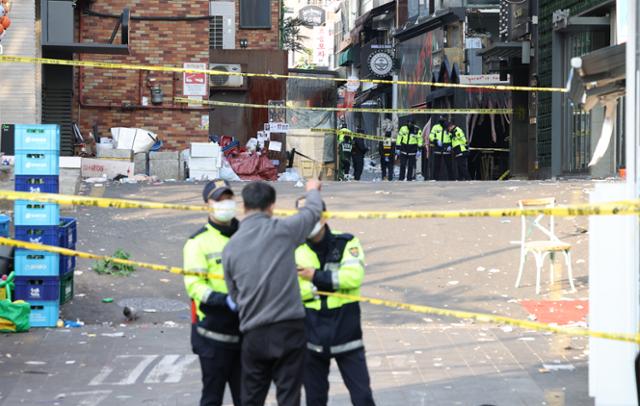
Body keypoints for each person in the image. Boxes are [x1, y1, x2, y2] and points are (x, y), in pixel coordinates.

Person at [222, 180, 323, 406]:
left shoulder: (231, 246)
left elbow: (234, 294)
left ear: (244, 207)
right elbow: (313, 211)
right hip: (289, 330)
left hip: (253, 332)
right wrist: (312, 190)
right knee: (289, 397)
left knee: (251, 398)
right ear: (272, 206)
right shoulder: (283, 231)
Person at [295, 198, 376, 406]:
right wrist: (327, 285)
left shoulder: (347, 242)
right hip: (311, 337)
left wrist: (313, 277)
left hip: (346, 333)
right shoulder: (293, 247)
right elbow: (291, 288)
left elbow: (353, 277)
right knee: (315, 400)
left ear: (323, 217)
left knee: (363, 398)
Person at [183, 179, 241, 406]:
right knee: (212, 398)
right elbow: (195, 286)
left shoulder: (245, 235)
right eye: (219, 200)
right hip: (212, 335)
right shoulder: (198, 242)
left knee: (248, 398)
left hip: (246, 333)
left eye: (228, 198)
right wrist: (225, 300)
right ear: (208, 204)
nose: (225, 204)